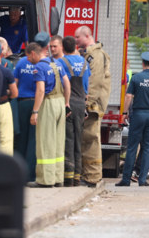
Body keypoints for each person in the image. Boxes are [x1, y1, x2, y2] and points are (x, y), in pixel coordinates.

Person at [115, 52, 149, 187]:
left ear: (143, 64)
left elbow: (128, 97)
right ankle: (142, 179)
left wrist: (125, 112)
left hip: (138, 114)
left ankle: (126, 179)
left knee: (132, 147)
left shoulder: (136, 78)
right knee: (148, 147)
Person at [28, 40, 72, 188]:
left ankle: (45, 180)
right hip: (60, 103)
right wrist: (66, 103)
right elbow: (67, 84)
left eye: (28, 57)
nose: (28, 60)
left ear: (33, 53)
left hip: (48, 104)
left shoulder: (39, 66)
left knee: (45, 141)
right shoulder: (58, 63)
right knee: (59, 141)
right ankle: (58, 178)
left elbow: (40, 90)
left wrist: (35, 111)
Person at [75, 25, 111, 187]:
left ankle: (92, 177)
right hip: (90, 105)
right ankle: (88, 175)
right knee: (86, 140)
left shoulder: (95, 56)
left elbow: (94, 83)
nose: (75, 40)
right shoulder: (89, 54)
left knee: (90, 140)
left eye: (78, 37)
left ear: (87, 36)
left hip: (92, 107)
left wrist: (86, 104)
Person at [13, 33, 49, 182]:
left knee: (20, 139)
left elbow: (14, 84)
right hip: (37, 104)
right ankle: (30, 175)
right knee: (33, 140)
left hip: (21, 104)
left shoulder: (21, 62)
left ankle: (19, 173)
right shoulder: (46, 64)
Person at [59, 36, 87, 186]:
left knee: (68, 139)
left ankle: (68, 177)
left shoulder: (61, 62)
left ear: (62, 47)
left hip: (68, 103)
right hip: (81, 103)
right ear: (75, 47)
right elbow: (87, 84)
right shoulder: (83, 62)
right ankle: (77, 176)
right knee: (78, 139)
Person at [0, 41, 17, 156]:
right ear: (2, 54)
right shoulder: (6, 71)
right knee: (5, 140)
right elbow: (15, 93)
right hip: (3, 105)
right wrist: (8, 94)